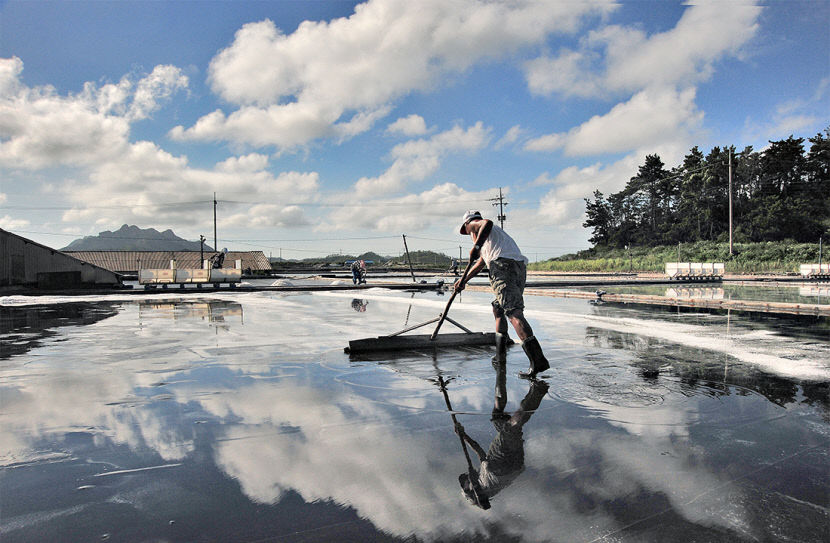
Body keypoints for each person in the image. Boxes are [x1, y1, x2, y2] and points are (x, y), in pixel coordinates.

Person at [454, 210, 549, 378]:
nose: (469, 233)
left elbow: (487, 222)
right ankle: (500, 356)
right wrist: (464, 280)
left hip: (503, 267)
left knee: (513, 312)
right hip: (517, 267)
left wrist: (475, 246)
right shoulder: (493, 240)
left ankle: (538, 360)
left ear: (469, 224)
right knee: (499, 308)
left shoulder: (479, 226)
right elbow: (481, 262)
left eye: (467, 230)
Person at [456, 379, 549, 508]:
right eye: (465, 484)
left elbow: (480, 452)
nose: (466, 479)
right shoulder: (480, 489)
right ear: (468, 489)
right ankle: (538, 391)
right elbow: (484, 505)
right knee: (510, 428)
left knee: (497, 418)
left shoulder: (481, 477)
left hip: (514, 464)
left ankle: (500, 367)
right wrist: (473, 484)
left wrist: (463, 435)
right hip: (501, 465)